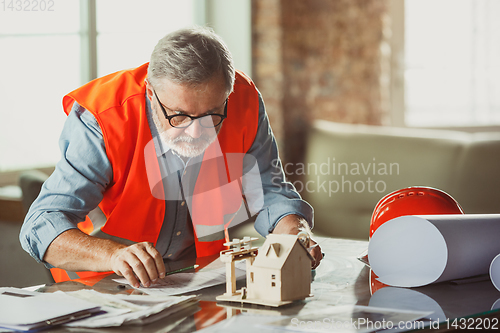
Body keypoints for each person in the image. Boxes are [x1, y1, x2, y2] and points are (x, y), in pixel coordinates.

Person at [20, 26, 322, 288]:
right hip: (100, 285)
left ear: (227, 95)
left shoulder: (244, 101)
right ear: (151, 93)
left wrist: (295, 232)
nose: (195, 133)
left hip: (196, 280)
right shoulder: (104, 118)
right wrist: (114, 255)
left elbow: (270, 191)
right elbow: (40, 226)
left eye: (211, 115)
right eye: (179, 116)